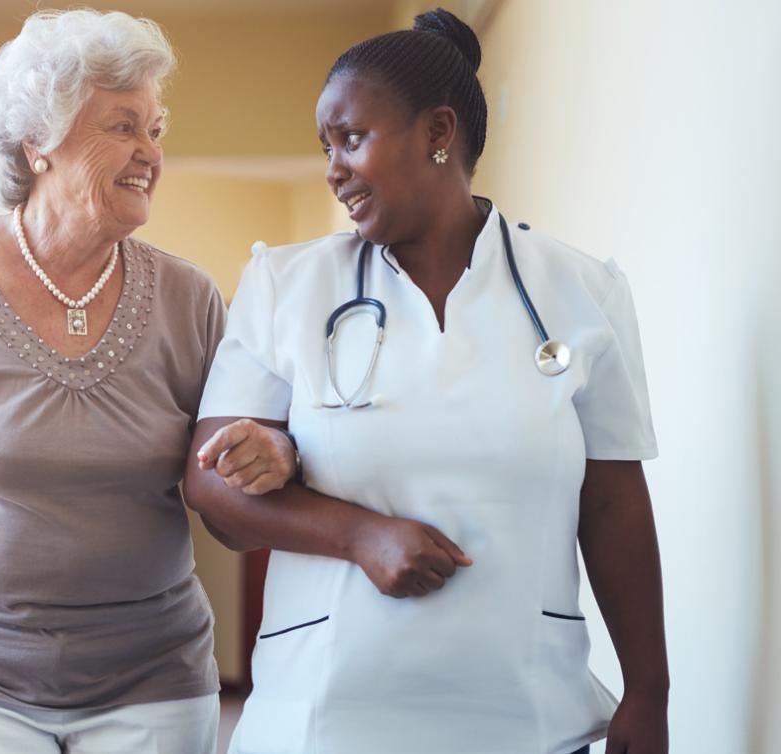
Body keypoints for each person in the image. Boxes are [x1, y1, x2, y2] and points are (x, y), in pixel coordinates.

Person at [184, 8, 669, 754]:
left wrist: (649, 690)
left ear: (438, 133)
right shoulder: (286, 284)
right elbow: (211, 489)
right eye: (326, 147)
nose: (332, 169)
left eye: (351, 139)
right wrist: (360, 536)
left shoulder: (581, 292)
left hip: (526, 713)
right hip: (325, 715)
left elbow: (612, 502)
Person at [0, 9, 294, 753]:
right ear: (37, 142)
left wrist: (270, 456)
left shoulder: (189, 300)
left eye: (156, 130)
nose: (150, 153)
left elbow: (231, 503)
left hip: (153, 681)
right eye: (122, 126)